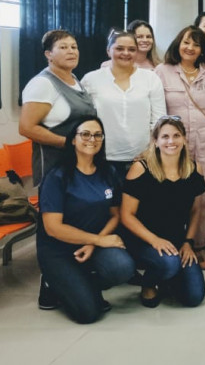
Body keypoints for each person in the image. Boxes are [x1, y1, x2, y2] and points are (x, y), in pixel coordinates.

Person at [36, 117, 135, 324]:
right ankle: (52, 282)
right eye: (85, 134)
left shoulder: (108, 172)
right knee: (88, 314)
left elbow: (115, 215)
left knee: (123, 268)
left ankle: (82, 283)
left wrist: (94, 243)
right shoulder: (57, 177)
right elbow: (53, 228)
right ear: (73, 139)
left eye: (98, 135)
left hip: (92, 244)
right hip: (58, 250)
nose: (92, 139)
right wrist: (98, 240)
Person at [156, 25, 205, 266]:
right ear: (178, 44)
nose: (190, 48)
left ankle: (199, 245)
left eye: (196, 45)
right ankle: (171, 243)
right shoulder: (162, 71)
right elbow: (156, 112)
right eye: (186, 42)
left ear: (202, 50)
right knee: (171, 195)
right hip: (173, 146)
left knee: (203, 195)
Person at [120, 117, 205, 308]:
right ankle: (148, 283)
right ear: (156, 141)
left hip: (176, 241)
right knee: (170, 263)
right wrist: (154, 240)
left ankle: (168, 279)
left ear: (184, 139)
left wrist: (188, 242)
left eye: (177, 135)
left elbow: (196, 210)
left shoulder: (194, 169)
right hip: (142, 240)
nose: (171, 141)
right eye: (165, 136)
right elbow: (126, 215)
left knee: (194, 297)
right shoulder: (140, 169)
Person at [82, 31, 166, 181]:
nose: (126, 53)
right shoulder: (91, 79)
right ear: (108, 51)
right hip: (102, 156)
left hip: (142, 157)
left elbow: (159, 119)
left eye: (131, 49)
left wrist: (151, 150)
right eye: (119, 48)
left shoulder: (151, 78)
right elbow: (84, 119)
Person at [20, 30, 97, 186]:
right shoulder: (43, 83)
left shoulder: (74, 79)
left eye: (74, 47)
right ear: (49, 54)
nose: (71, 51)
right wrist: (69, 142)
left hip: (79, 165)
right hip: (54, 169)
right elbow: (26, 128)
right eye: (63, 47)